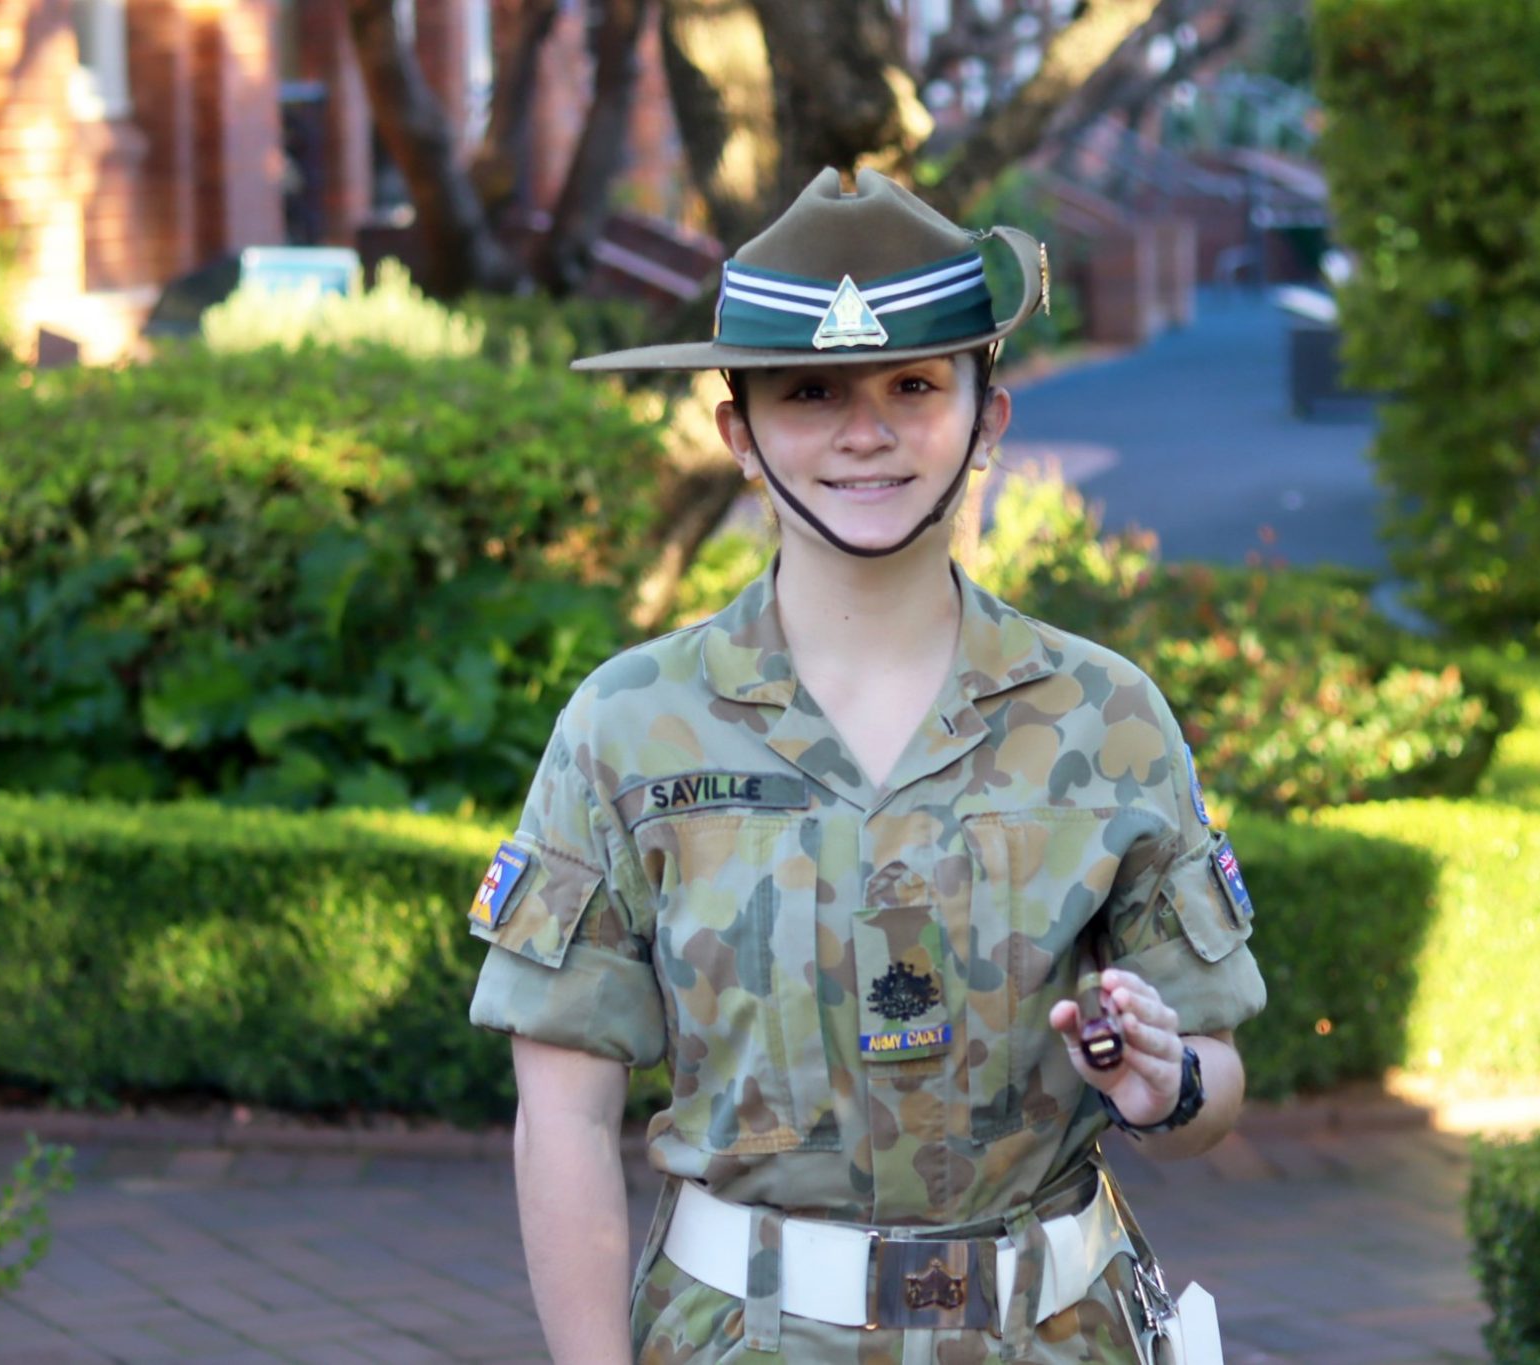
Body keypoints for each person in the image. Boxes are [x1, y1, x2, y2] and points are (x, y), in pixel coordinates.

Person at [466, 167, 1267, 1364]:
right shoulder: (629, 727)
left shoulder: (1106, 717)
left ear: (987, 419)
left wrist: (1169, 1084)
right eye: (809, 392)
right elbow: (562, 1118)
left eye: (912, 385)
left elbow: (1214, 1074)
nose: (865, 431)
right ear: (738, 431)